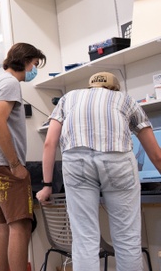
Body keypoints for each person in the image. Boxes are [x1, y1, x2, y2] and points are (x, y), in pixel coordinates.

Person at [36, 71, 161, 271]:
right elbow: (156, 155)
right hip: (117, 159)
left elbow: (50, 143)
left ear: (90, 87)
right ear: (115, 89)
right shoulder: (125, 100)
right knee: (126, 237)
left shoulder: (68, 99)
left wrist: (47, 186)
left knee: (84, 238)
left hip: (76, 160)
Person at [0, 42, 46, 271]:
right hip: (4, 166)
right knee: (21, 227)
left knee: (4, 227)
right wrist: (15, 164)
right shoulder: (10, 83)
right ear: (26, 61)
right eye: (35, 64)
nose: (34, 69)